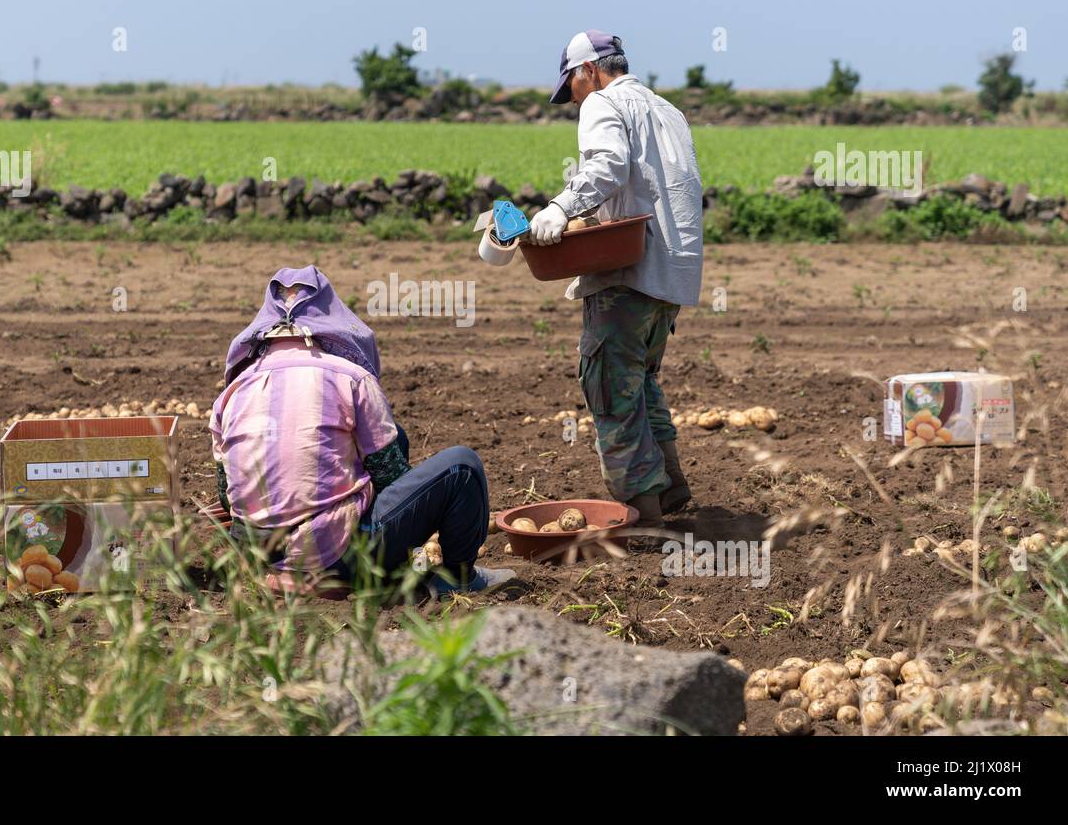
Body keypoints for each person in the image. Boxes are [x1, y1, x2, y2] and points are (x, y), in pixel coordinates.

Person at [209, 265, 513, 595]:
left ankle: (284, 574)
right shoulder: (350, 378)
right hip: (337, 557)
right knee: (461, 466)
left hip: (258, 555)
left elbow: (227, 496)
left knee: (391, 436)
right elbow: (392, 478)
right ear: (329, 322)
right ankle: (459, 579)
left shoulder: (231, 395)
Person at [529, 31, 704, 524]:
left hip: (628, 273)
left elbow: (607, 166)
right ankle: (669, 486)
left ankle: (643, 515)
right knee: (641, 382)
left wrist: (561, 208)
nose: (575, 100)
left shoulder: (603, 103)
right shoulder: (668, 110)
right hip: (672, 273)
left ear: (589, 70)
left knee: (609, 387)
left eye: (574, 87)